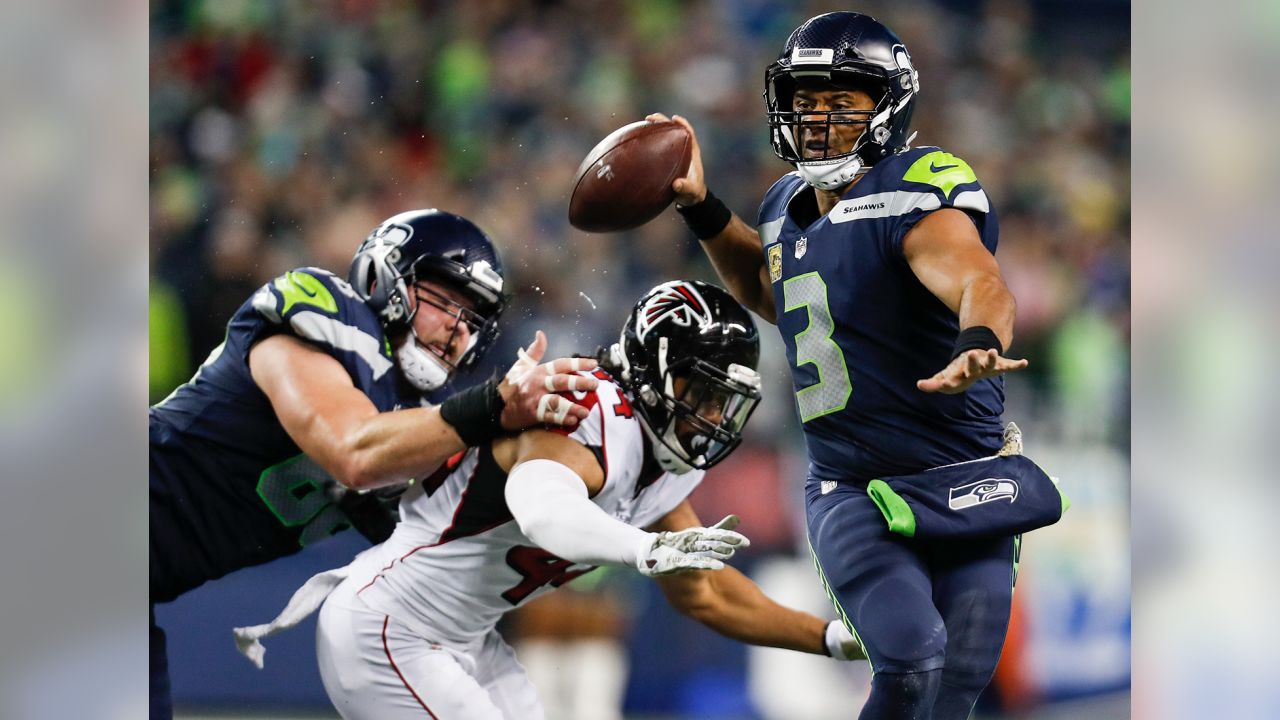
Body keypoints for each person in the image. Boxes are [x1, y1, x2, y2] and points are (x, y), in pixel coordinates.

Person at [233, 280, 866, 720]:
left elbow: (706, 591)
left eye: (720, 402)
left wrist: (835, 637)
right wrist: (645, 548)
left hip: (465, 642)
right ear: (650, 369)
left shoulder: (663, 452)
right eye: (697, 392)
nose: (708, 418)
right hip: (390, 628)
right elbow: (543, 506)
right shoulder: (586, 406)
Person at [651, 11, 1043, 720]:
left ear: (887, 108)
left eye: (841, 102)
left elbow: (978, 278)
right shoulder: (782, 205)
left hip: (967, 479)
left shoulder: (920, 186)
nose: (818, 119)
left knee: (955, 688)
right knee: (911, 659)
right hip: (855, 488)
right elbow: (777, 292)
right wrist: (703, 210)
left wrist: (976, 338)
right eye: (806, 102)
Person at [150, 209, 601, 720]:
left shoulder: (416, 422)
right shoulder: (323, 315)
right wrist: (494, 406)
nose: (457, 331)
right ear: (383, 276)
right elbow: (354, 452)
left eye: (473, 319)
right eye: (444, 300)